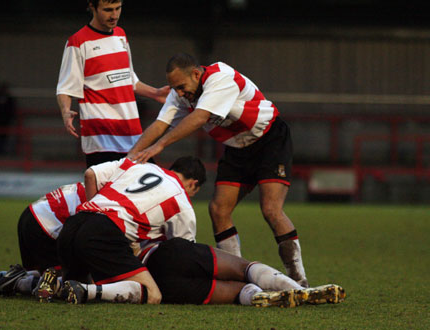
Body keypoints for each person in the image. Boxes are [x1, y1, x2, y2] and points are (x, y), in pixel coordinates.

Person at [128, 53, 309, 287]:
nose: (179, 93)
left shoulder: (220, 77)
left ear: (196, 74)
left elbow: (199, 117)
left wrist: (159, 146)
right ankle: (241, 277)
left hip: (269, 140)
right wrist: (129, 158)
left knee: (271, 209)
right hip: (237, 148)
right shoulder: (181, 94)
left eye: (181, 87)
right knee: (218, 210)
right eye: (175, 89)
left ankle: (299, 280)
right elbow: (159, 125)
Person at [55, 156, 207, 304]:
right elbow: (185, 252)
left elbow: (90, 174)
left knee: (84, 280)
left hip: (72, 226)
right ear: (193, 184)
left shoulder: (140, 165)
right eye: (194, 192)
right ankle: (86, 291)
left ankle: (42, 283)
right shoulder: (181, 200)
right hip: (102, 233)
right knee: (152, 293)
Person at [63, 237, 346, 308]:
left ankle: (255, 297)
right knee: (244, 268)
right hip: (166, 251)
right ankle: (298, 289)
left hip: (159, 285)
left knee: (236, 293)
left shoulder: (96, 250)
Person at [56, 0, 170, 167]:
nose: (114, 15)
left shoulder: (121, 35)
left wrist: (155, 93)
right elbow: (65, 87)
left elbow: (130, 79)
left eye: (118, 8)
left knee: (150, 189)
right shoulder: (77, 42)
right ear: (92, 7)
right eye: (108, 10)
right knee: (107, 192)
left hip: (132, 135)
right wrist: (65, 111)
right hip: (102, 139)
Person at [0, 182, 87, 298]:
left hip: (30, 216)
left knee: (41, 274)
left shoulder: (92, 186)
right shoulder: (101, 196)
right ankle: (15, 282)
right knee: (69, 284)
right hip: (44, 226)